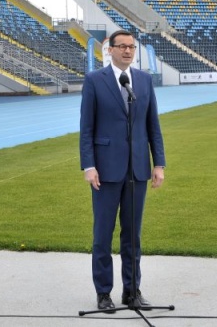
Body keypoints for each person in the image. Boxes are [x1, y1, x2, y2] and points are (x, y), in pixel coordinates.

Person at [80, 30, 166, 312]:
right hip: (105, 171)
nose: (128, 51)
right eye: (123, 46)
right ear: (111, 50)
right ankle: (103, 293)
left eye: (132, 47)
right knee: (102, 236)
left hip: (137, 170)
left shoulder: (142, 80)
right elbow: (87, 128)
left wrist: (159, 163)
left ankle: (132, 291)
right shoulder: (94, 81)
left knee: (133, 236)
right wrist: (89, 166)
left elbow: (152, 125)